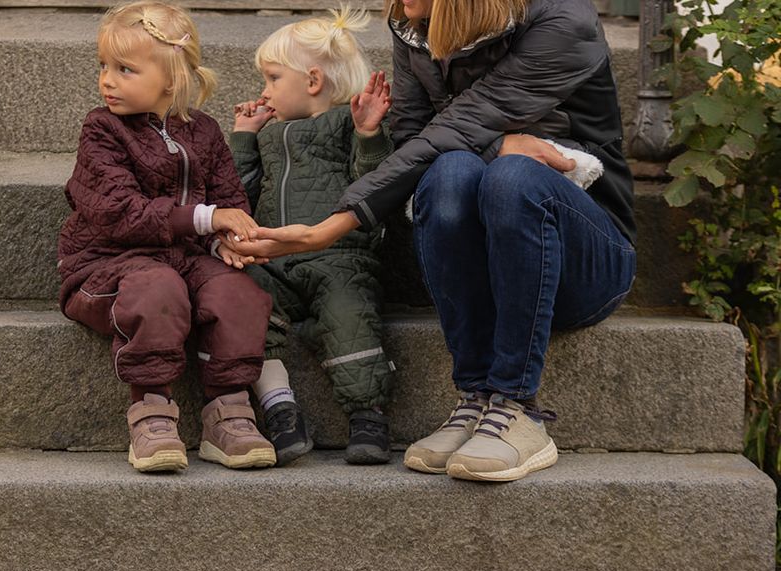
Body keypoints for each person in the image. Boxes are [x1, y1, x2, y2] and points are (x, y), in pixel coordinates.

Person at [225, 0, 637, 482]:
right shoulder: (414, 23)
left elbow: (463, 122)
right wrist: (495, 143)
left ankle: (517, 405)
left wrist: (329, 227)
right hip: (489, 261)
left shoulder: (563, 20)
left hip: (585, 261)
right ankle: (476, 397)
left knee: (512, 176)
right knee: (450, 170)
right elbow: (413, 135)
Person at [57, 0, 278, 473]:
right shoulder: (102, 130)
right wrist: (206, 219)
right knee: (159, 290)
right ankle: (152, 411)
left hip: (186, 256)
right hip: (105, 264)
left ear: (171, 80)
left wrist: (227, 242)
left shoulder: (205, 132)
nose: (107, 80)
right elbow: (119, 213)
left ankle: (228, 410)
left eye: (125, 69)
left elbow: (228, 199)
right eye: (103, 67)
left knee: (238, 293)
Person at [229, 7, 396, 466]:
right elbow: (237, 197)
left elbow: (377, 185)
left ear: (314, 80)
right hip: (271, 262)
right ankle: (280, 409)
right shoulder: (268, 134)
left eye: (272, 77)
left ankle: (367, 417)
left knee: (348, 314)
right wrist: (244, 138)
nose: (264, 91)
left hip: (338, 258)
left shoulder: (350, 123)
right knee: (239, 306)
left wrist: (369, 134)